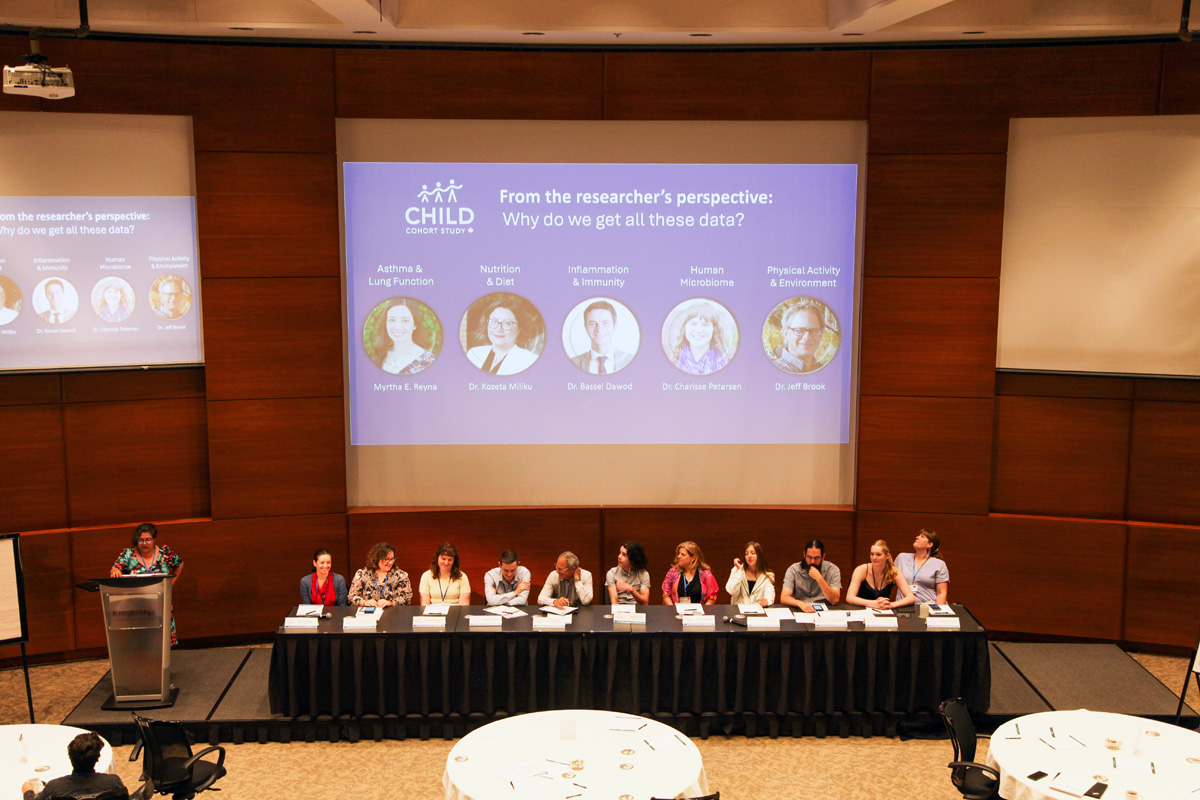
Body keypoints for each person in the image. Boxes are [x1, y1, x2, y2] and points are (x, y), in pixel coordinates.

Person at [109, 522, 183, 646]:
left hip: (160, 603)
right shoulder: (128, 555)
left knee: (160, 642)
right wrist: (115, 570)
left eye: (148, 540)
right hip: (136, 607)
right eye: (141, 540)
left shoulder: (164, 553)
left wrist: (170, 584)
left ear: (154, 540)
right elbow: (115, 568)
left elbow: (179, 564)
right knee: (140, 643)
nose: (144, 543)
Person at [21, 731, 128, 800]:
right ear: (97, 758)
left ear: (70, 756)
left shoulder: (54, 788)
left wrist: (28, 792)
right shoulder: (113, 782)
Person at [466, 297, 540, 376]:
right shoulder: (473, 354)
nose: (498, 329)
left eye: (507, 323)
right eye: (494, 321)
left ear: (519, 329)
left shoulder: (530, 360)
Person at [370, 298, 436, 375]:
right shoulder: (378, 355)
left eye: (405, 321)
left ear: (415, 324)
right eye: (392, 320)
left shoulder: (429, 361)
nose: (398, 327)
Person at [845, 539, 916, 610]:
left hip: (883, 611)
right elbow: (849, 597)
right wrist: (872, 603)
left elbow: (911, 598)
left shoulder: (894, 571)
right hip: (862, 611)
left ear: (887, 556)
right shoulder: (861, 570)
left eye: (878, 554)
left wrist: (891, 605)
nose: (874, 558)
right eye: (872, 554)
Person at [571, 300, 634, 375]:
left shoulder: (632, 361)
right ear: (586, 327)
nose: (599, 329)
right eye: (593, 324)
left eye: (605, 323)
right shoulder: (572, 363)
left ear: (614, 326)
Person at [780, 538, 842, 612]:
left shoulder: (833, 570)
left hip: (825, 610)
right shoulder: (793, 570)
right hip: (800, 609)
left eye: (816, 558)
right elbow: (784, 597)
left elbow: (834, 600)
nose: (812, 562)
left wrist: (819, 578)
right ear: (804, 555)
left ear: (823, 557)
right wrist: (800, 603)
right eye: (809, 557)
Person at [670, 302, 732, 376]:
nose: (699, 330)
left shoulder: (727, 363)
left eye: (705, 325)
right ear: (685, 327)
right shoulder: (673, 362)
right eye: (693, 324)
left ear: (714, 329)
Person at [348, 542, 412, 607]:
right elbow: (351, 597)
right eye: (387, 559)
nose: (390, 562)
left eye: (392, 559)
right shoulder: (362, 574)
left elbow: (406, 599)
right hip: (369, 611)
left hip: (392, 612)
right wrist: (364, 602)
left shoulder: (401, 575)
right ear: (377, 559)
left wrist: (391, 603)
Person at [895, 529, 950, 605]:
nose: (917, 537)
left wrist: (937, 611)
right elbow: (888, 580)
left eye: (922, 536)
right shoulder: (902, 558)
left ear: (929, 544)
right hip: (903, 607)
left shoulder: (939, 564)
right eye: (918, 535)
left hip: (928, 607)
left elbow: (942, 593)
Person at [772, 299, 827, 373]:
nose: (807, 337)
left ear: (821, 335)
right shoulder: (772, 371)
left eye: (814, 331)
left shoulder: (825, 371)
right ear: (786, 334)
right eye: (800, 330)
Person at [661, 540, 719, 605]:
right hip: (677, 610)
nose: (679, 556)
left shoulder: (706, 574)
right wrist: (674, 609)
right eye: (679, 554)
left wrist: (703, 611)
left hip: (699, 610)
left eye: (683, 554)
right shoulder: (673, 572)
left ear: (693, 558)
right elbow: (666, 594)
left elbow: (712, 597)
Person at [726, 540, 775, 607]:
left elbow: (770, 594)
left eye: (753, 553)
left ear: (759, 555)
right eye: (746, 554)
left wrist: (766, 601)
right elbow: (731, 591)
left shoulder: (768, 575)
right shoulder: (736, 570)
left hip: (758, 610)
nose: (749, 556)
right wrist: (740, 571)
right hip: (738, 610)